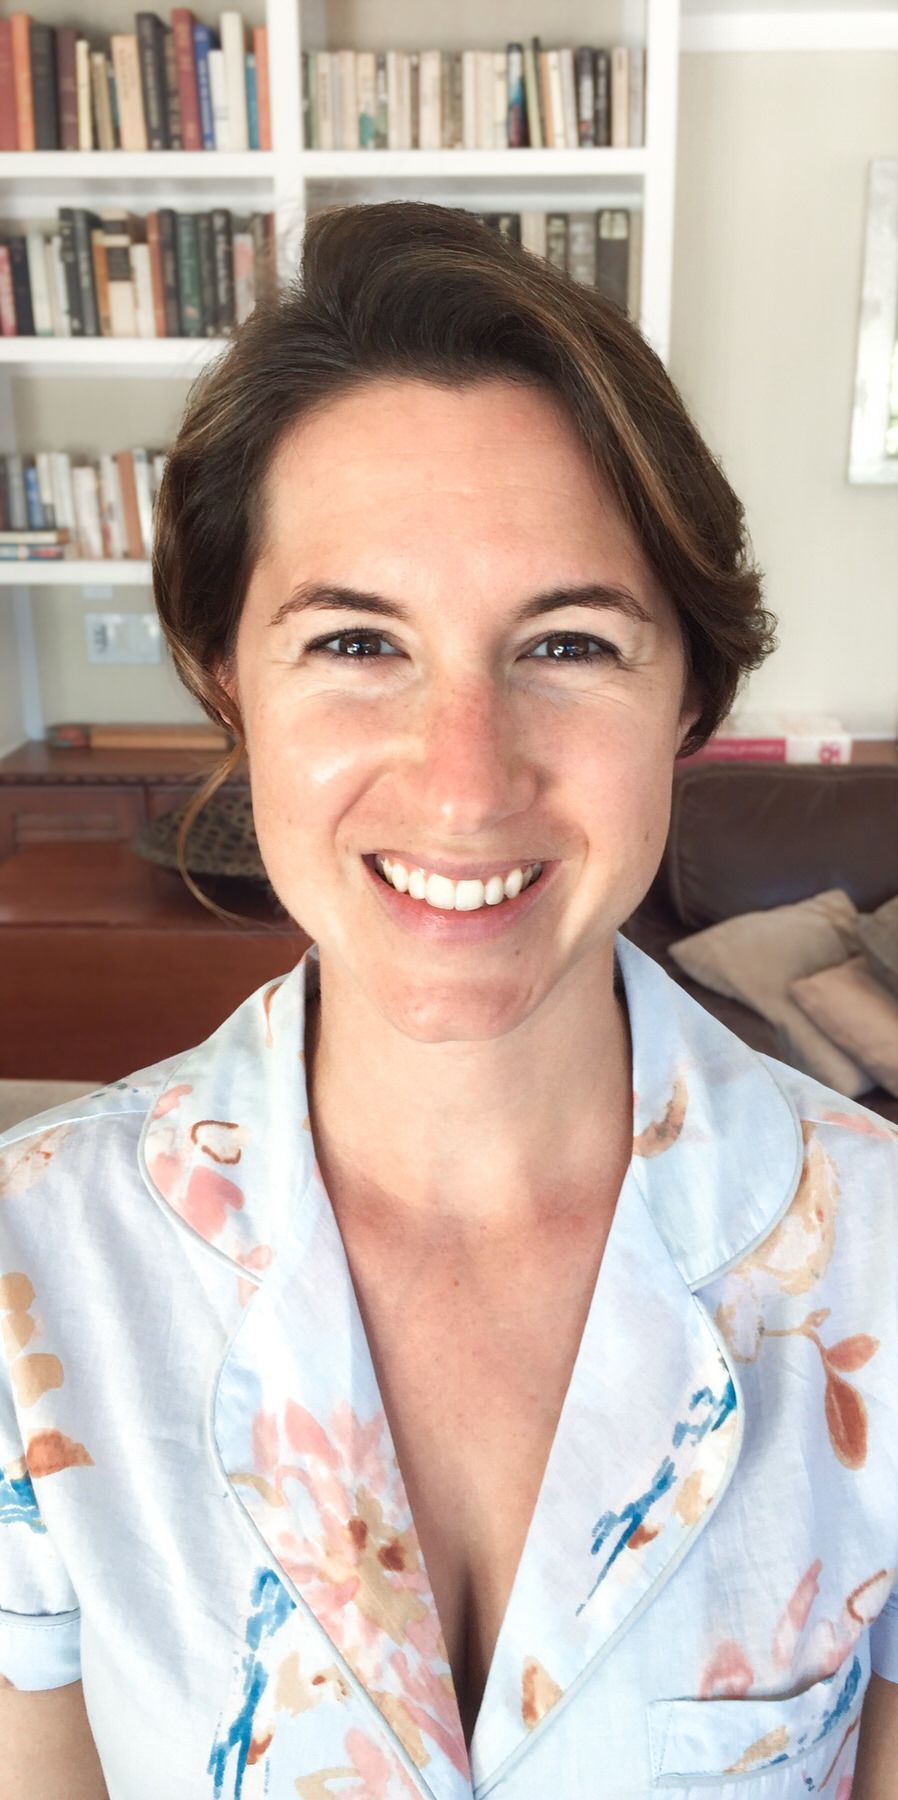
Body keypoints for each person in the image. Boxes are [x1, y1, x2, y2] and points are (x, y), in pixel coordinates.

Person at [0, 200, 895, 1799]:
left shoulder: (885, 1273)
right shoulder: (28, 1282)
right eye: (356, 641)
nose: (465, 783)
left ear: (688, 689)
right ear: (229, 681)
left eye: (563, 643)